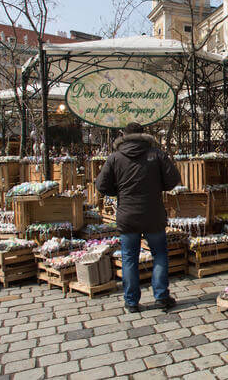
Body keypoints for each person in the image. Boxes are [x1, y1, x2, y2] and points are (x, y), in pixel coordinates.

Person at [95, 122, 181, 313]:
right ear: (143, 136)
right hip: (153, 213)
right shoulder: (156, 154)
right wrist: (158, 185)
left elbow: (101, 185)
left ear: (123, 136)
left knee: (129, 258)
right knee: (159, 254)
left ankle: (131, 301)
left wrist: (118, 191)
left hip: (127, 214)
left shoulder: (115, 157)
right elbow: (173, 179)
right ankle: (161, 297)